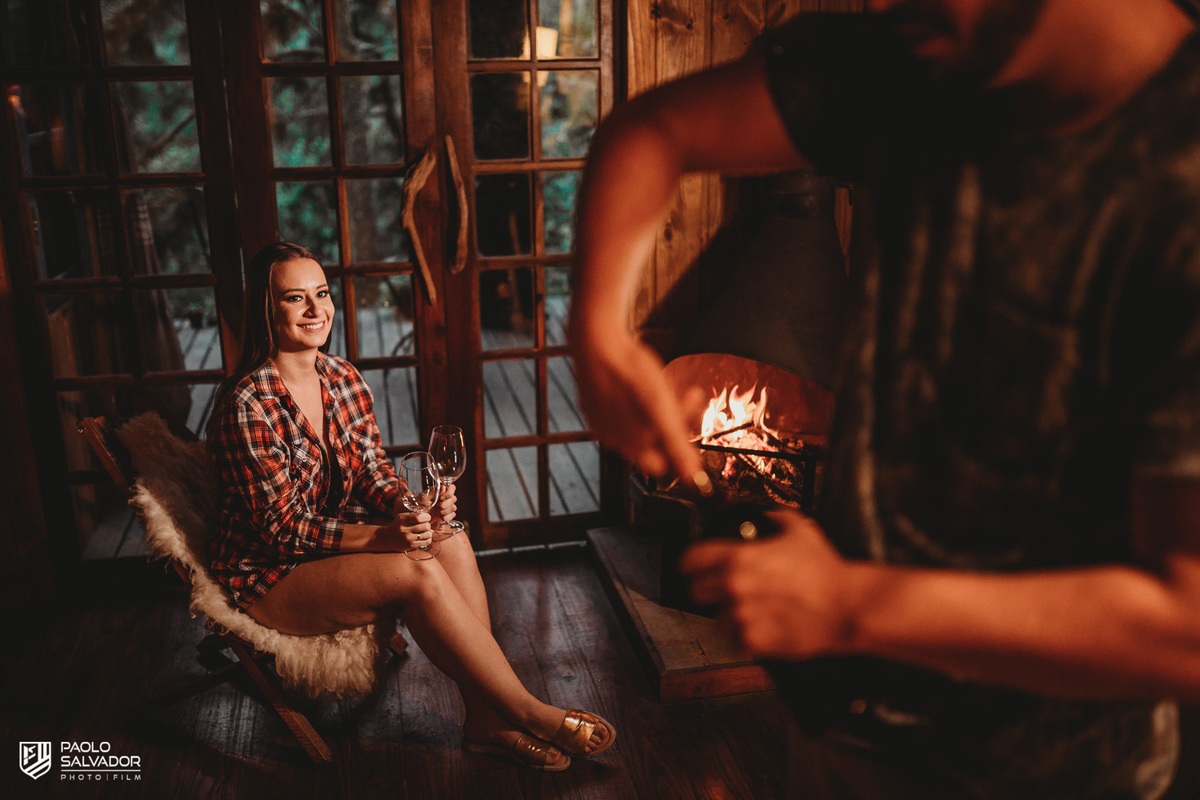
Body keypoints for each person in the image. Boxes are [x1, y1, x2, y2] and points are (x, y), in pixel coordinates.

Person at [568, 0, 1200, 797]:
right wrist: (597, 329)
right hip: (839, 725)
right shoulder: (924, 54)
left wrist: (852, 607)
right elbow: (654, 129)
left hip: (1042, 774)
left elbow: (1187, 628)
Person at [207, 242, 616, 771]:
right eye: (295, 298)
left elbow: (370, 471)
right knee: (412, 571)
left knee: (451, 539)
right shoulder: (248, 405)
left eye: (322, 294)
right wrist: (386, 537)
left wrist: (412, 507)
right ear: (267, 309)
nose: (315, 309)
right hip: (269, 574)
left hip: (327, 551)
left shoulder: (342, 377)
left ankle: (484, 719)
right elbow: (282, 530)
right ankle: (528, 709)